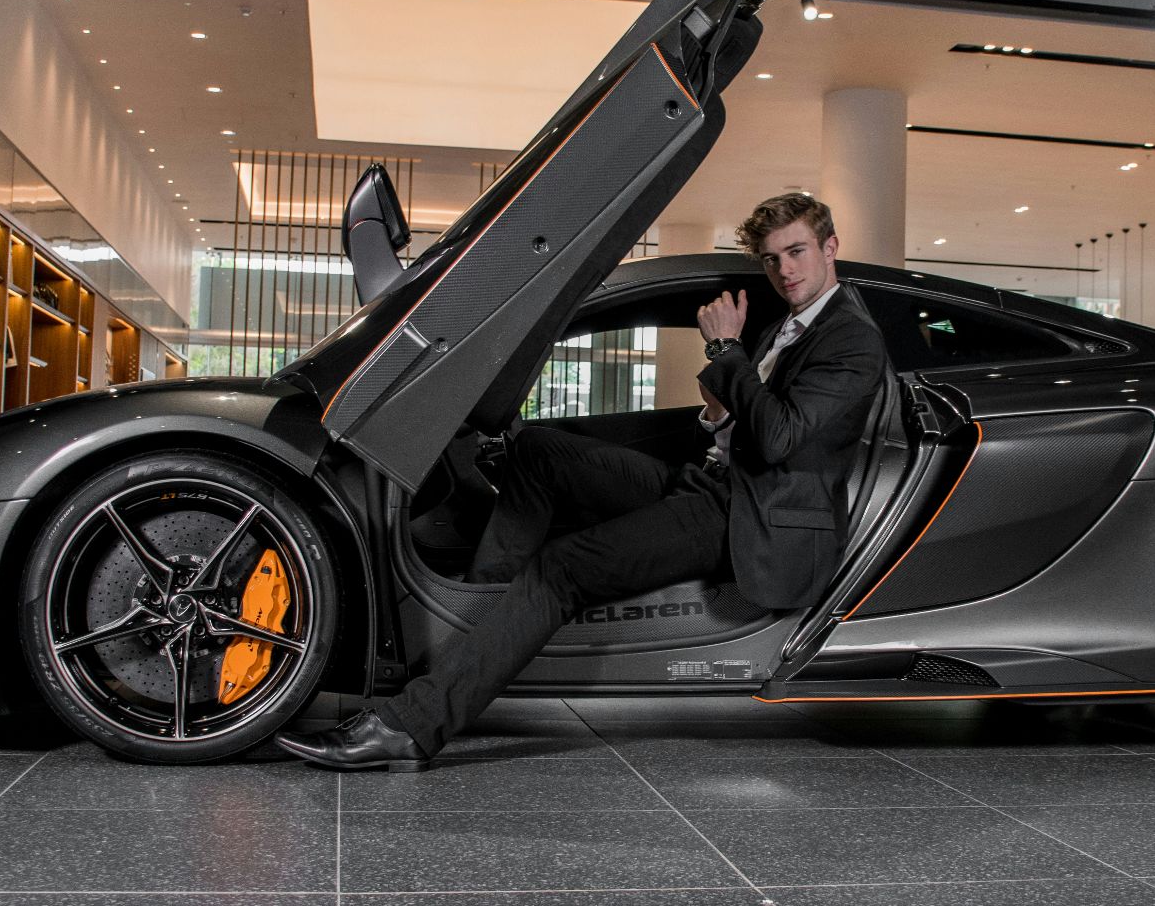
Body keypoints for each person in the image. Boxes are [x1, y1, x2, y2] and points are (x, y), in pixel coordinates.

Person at [276, 193, 890, 771]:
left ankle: (409, 728)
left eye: (797, 252)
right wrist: (718, 413)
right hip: (712, 481)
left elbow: (783, 437)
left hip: (750, 513)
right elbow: (752, 423)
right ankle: (481, 612)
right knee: (540, 450)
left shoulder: (850, 336)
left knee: (562, 569)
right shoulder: (789, 324)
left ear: (830, 247)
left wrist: (726, 351)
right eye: (771, 258)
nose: (784, 270)